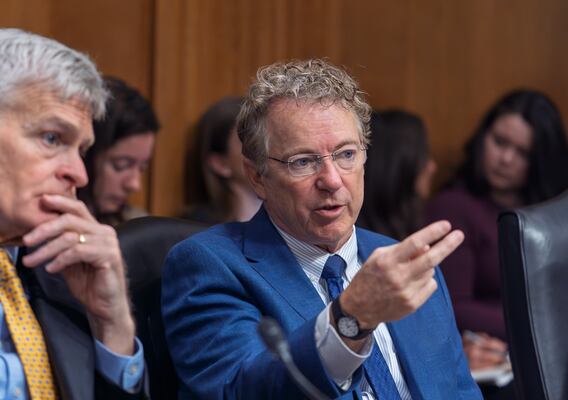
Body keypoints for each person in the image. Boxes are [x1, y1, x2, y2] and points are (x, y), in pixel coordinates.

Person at [162, 59, 481, 399]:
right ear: (257, 177)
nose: (331, 180)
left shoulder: (403, 264)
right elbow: (241, 392)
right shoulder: (210, 265)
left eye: (346, 154)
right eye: (302, 161)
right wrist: (351, 319)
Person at [0, 28, 145, 399]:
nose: (79, 174)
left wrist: (111, 323)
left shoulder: (66, 279)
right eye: (52, 138)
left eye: (81, 150)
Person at [426, 89, 568, 373]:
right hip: (499, 359)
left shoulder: (554, 210)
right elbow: (452, 304)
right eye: (500, 142)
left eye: (522, 153)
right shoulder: (454, 206)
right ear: (483, 137)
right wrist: (550, 322)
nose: (505, 159)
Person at [77, 76, 160, 226]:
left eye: (142, 168)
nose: (134, 185)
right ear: (84, 154)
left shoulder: (137, 224)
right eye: (121, 165)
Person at [357, 110, 437, 240]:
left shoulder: (409, 218)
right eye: (424, 155)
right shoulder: (362, 239)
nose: (432, 166)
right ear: (398, 163)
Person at [181, 96, 262, 224]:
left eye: (264, 139)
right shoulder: (196, 228)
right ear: (220, 164)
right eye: (250, 142)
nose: (265, 149)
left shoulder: (289, 218)